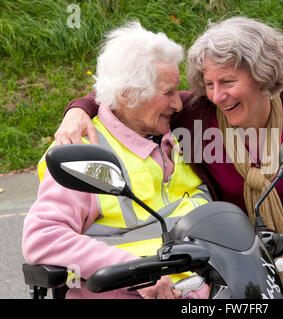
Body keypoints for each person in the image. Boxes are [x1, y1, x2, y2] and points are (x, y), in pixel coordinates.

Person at [55, 17, 283, 295]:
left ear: (263, 76)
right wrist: (78, 109)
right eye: (209, 83)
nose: (217, 95)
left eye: (227, 81)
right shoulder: (195, 111)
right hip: (230, 245)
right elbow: (127, 96)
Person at [22, 21, 212, 299]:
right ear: (127, 95)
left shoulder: (177, 131)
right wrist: (138, 273)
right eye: (168, 92)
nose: (178, 103)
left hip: (206, 288)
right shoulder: (83, 149)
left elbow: (246, 89)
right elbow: (42, 236)